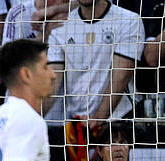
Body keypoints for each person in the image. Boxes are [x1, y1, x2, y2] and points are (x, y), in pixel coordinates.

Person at [45, 0, 144, 130]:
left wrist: (97, 119)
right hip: (76, 124)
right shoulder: (61, 26)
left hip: (118, 122)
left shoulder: (129, 20)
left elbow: (121, 77)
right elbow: (52, 83)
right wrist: (31, 115)